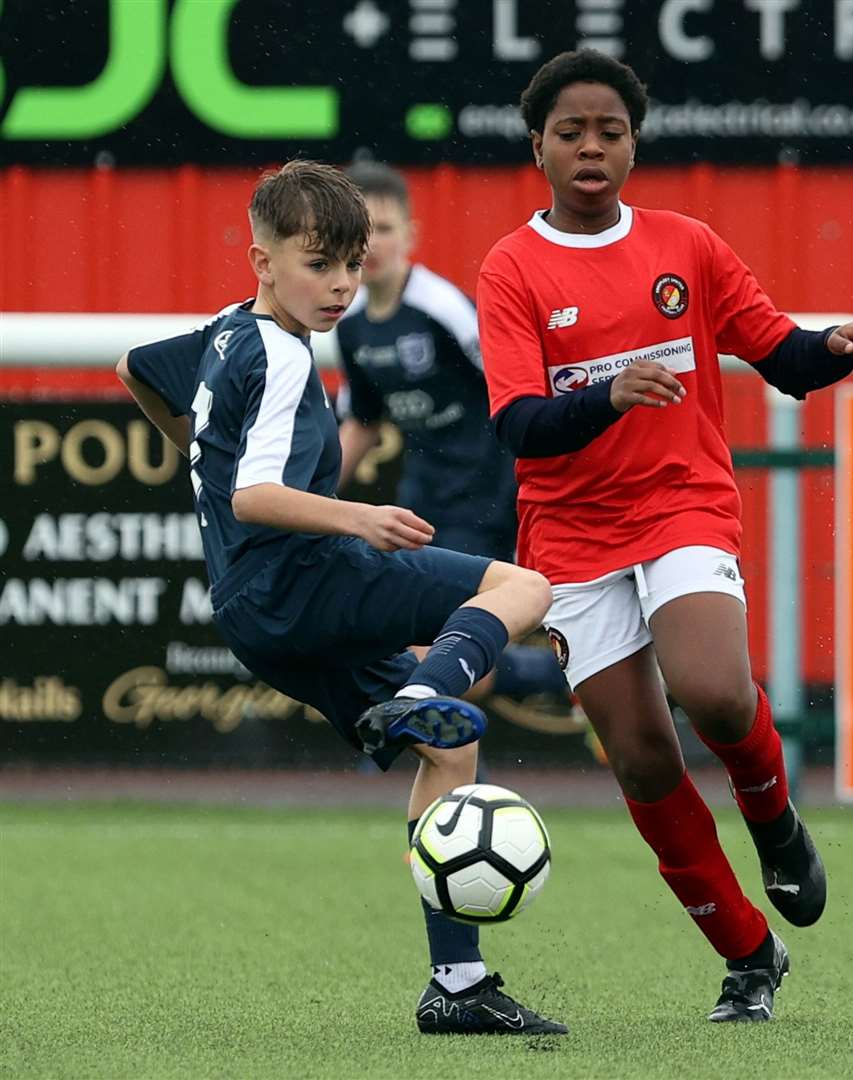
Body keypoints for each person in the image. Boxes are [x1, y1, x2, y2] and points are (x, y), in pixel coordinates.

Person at [476, 49, 853, 1023]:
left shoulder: (686, 245)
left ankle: (775, 819)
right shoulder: (513, 267)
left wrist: (835, 349)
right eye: (571, 131)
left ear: (634, 145)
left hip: (682, 506)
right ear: (536, 143)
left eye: (610, 132)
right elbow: (519, 426)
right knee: (645, 761)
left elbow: (778, 354)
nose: (591, 147)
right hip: (571, 539)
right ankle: (749, 954)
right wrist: (610, 397)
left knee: (711, 688)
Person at [115, 160, 566, 1037]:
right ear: (262, 259)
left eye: (353, 265)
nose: (342, 285)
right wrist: (357, 516)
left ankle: (457, 985)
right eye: (319, 263)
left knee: (453, 754)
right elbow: (253, 496)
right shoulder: (281, 355)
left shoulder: (223, 334)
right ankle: (423, 691)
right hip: (309, 581)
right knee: (525, 585)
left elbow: (136, 365)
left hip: (254, 616)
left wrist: (195, 450)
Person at [334, 160, 574, 724]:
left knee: (447, 664)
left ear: (412, 235)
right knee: (439, 660)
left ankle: (567, 672)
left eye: (385, 229)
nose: (372, 245)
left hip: (489, 497)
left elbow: (514, 383)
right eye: (359, 233)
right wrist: (307, 497)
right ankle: (558, 676)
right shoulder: (351, 326)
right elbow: (363, 424)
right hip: (429, 502)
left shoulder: (440, 306)